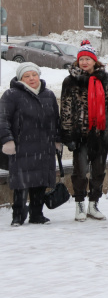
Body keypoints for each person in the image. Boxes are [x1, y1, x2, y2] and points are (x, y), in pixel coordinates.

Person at [60, 40, 108, 222]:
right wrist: (68, 135)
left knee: (99, 171)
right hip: (80, 135)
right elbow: (66, 110)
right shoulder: (70, 81)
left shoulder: (107, 80)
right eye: (81, 59)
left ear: (94, 61)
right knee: (80, 171)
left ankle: (93, 204)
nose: (84, 62)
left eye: (88, 59)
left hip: (100, 134)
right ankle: (79, 204)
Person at [0, 63, 60, 226]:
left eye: (34, 74)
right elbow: (2, 119)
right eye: (27, 76)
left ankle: (37, 214)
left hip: (44, 145)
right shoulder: (11, 95)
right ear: (20, 79)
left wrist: (57, 139)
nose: (32, 78)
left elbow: (56, 119)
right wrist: (7, 140)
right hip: (21, 146)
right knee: (21, 183)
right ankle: (18, 216)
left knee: (40, 181)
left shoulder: (48, 94)